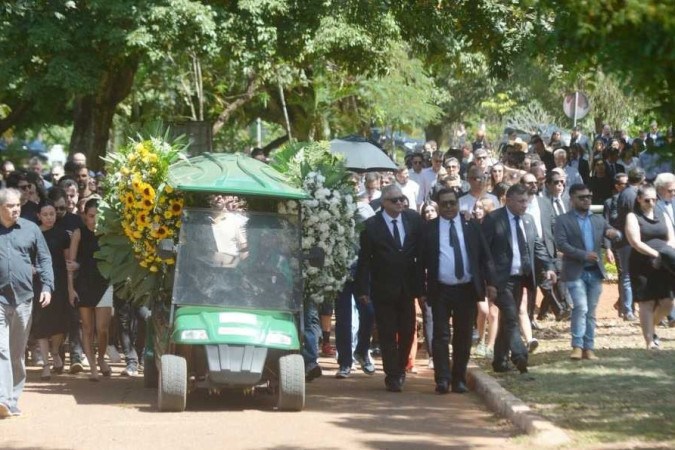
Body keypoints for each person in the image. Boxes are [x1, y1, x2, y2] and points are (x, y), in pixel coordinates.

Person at [419, 188, 495, 394]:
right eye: (444, 204)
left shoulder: (471, 226)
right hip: (440, 289)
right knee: (441, 335)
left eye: (452, 203)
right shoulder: (429, 229)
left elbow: (484, 257)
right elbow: (420, 262)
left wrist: (491, 284)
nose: (449, 207)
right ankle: (442, 379)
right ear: (438, 205)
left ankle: (459, 378)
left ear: (458, 203)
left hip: (466, 289)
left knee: (462, 336)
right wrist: (421, 290)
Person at [482, 184, 556, 375]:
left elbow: (538, 246)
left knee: (508, 318)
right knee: (511, 315)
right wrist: (488, 281)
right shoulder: (493, 219)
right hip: (499, 280)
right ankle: (519, 355)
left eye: (527, 201)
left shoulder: (529, 220)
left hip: (520, 278)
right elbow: (484, 252)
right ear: (509, 200)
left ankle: (499, 360)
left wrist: (549, 266)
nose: (525, 205)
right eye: (521, 201)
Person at [355, 185, 423, 392]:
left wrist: (421, 288)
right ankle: (392, 374)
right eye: (394, 200)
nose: (400, 203)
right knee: (386, 332)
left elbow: (421, 252)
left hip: (408, 287)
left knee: (408, 330)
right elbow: (364, 261)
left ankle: (400, 368)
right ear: (384, 203)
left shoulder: (413, 219)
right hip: (382, 287)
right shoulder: (371, 226)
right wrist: (362, 290)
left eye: (402, 199)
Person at [0, 188, 53, 418]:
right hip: (0, 300)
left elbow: (44, 258)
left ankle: (12, 398)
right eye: (10, 206)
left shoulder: (30, 229)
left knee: (16, 352)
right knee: (0, 349)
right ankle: (2, 399)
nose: (15, 209)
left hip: (24, 298)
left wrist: (48, 286)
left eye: (17, 205)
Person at [555, 184, 621, 360]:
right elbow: (561, 244)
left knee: (590, 311)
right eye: (582, 197)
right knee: (581, 307)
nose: (586, 200)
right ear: (572, 199)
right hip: (575, 271)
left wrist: (615, 234)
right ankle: (577, 345)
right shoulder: (563, 220)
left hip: (595, 272)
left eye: (589, 197)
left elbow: (610, 231)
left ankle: (589, 347)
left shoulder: (597, 219)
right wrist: (583, 255)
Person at [67, 199, 113, 381]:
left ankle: (101, 358)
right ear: (85, 216)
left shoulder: (108, 234)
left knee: (102, 329)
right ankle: (93, 366)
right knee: (87, 328)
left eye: (98, 216)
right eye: (91, 216)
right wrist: (71, 289)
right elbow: (70, 265)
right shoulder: (78, 233)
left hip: (104, 284)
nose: (94, 220)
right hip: (84, 285)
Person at [625, 186, 675, 349]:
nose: (651, 203)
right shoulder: (633, 216)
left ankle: (651, 327)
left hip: (663, 264)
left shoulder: (662, 214)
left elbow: (671, 237)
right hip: (642, 263)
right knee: (646, 302)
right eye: (647, 200)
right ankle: (649, 341)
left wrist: (665, 256)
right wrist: (656, 255)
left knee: (667, 303)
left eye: (654, 199)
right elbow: (635, 242)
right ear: (639, 199)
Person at [33, 201, 71, 381]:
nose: (49, 217)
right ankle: (46, 365)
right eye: (45, 214)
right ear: (39, 216)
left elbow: (68, 261)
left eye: (52, 213)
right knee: (41, 323)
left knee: (60, 322)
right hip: (38, 283)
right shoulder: (33, 233)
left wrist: (71, 286)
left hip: (60, 283)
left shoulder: (63, 234)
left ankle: (55, 352)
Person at [614, 168, 646, 321]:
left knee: (628, 274)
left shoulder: (625, 193)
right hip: (629, 239)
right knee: (627, 275)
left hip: (625, 238)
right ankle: (627, 309)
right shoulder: (632, 194)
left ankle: (628, 308)